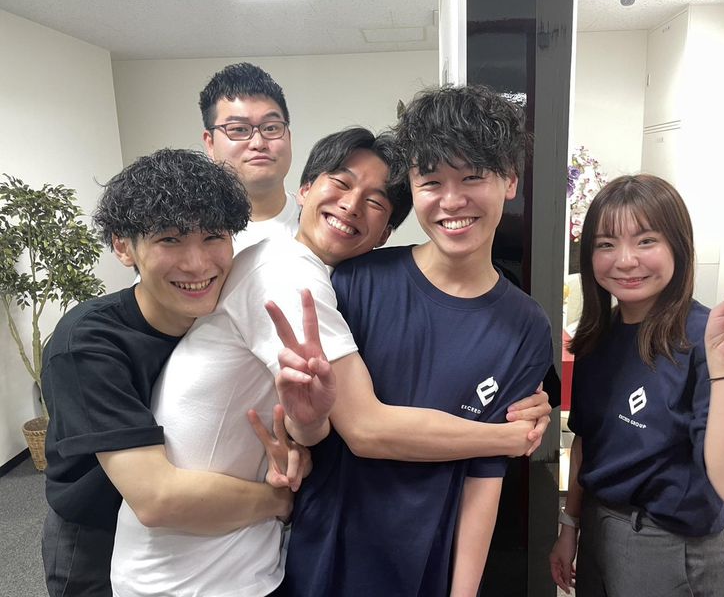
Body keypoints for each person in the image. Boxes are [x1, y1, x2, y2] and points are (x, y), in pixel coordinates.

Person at [110, 126, 551, 597]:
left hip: (241, 562)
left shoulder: (311, 273)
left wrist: (302, 434)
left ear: (385, 232)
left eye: (376, 202)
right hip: (185, 576)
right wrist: (505, 437)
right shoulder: (289, 273)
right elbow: (364, 428)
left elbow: (310, 423)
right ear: (304, 189)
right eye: (340, 183)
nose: (351, 205)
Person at [279, 85, 554, 597]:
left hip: (427, 559)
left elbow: (483, 481)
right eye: (431, 181)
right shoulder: (356, 282)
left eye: (473, 177)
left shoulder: (526, 327)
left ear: (510, 181)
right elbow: (349, 428)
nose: (452, 201)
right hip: (326, 551)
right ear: (412, 185)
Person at [40, 149, 294, 597]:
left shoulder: (224, 320)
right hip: (97, 531)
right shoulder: (87, 343)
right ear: (123, 247)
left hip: (199, 536)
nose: (197, 264)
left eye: (213, 236)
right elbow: (157, 498)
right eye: (170, 240)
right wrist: (281, 501)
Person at [549, 174, 724, 596]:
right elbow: (587, 441)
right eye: (606, 244)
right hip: (596, 526)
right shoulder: (597, 336)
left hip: (666, 544)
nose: (625, 260)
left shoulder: (709, 342)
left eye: (646, 240)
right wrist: (569, 524)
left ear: (678, 246)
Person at [200, 62, 298, 253]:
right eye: (239, 129)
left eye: (271, 127)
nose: (258, 143)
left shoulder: (322, 226)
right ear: (210, 143)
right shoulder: (193, 235)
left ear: (288, 136)